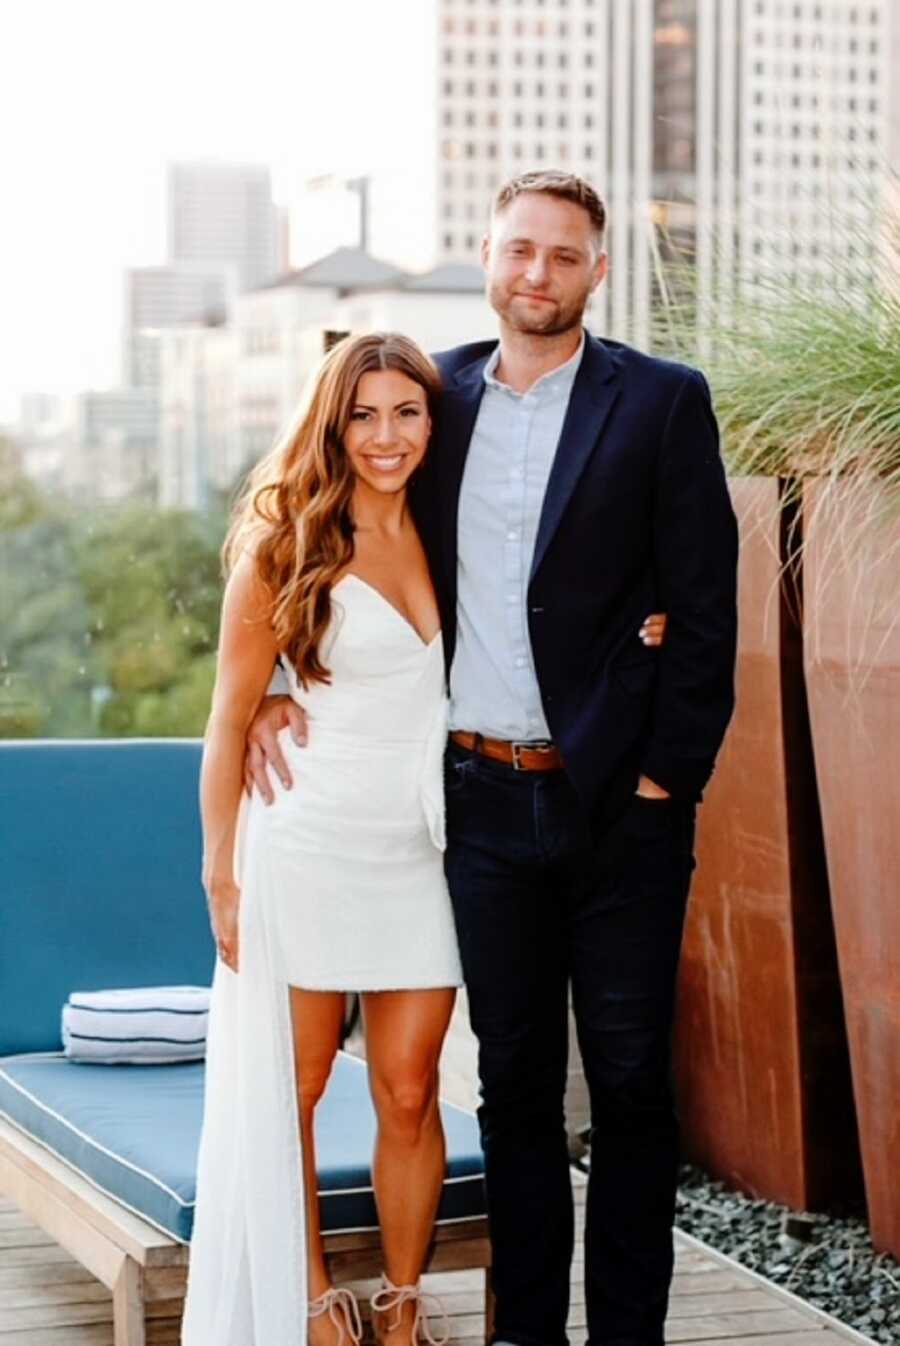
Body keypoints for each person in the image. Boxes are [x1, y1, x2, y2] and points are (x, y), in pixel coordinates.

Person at [246, 170, 738, 1346]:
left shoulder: (664, 400)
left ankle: (626, 1331)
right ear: (487, 253)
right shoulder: (437, 394)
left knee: (625, 1083)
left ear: (597, 271)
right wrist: (270, 688)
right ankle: (525, 1327)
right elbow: (320, 517)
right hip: (474, 802)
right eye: (521, 249)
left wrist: (667, 775)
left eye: (564, 256)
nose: (538, 274)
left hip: (623, 805)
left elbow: (708, 610)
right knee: (510, 1085)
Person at [183, 333, 467, 1346]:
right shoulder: (286, 544)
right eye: (364, 414)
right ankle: (308, 1302)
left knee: (410, 1084)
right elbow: (227, 715)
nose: (386, 435)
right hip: (303, 841)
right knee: (292, 1087)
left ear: (434, 422)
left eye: (407, 412)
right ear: (332, 422)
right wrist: (220, 869)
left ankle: (399, 1301)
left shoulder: (452, 526)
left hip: (420, 849)